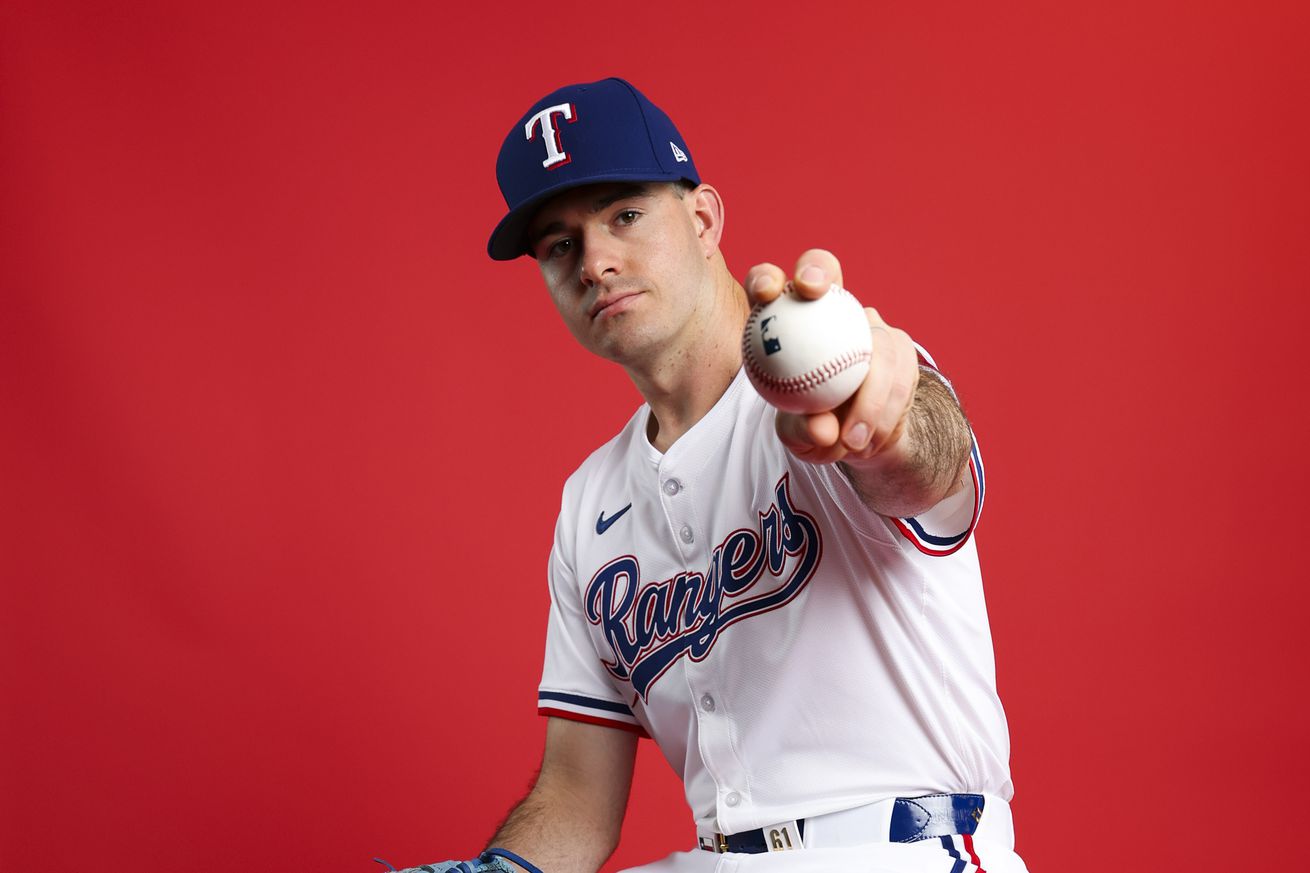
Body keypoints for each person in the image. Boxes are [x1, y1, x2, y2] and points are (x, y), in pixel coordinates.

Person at [383, 77, 1027, 873]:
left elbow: (923, 466)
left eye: (624, 214)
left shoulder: (833, 374)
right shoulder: (591, 503)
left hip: (899, 848)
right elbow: (578, 797)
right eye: (560, 244)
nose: (595, 261)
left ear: (703, 218)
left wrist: (882, 424)